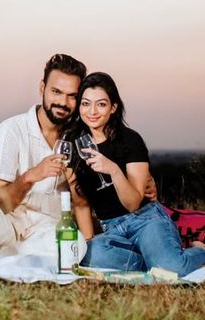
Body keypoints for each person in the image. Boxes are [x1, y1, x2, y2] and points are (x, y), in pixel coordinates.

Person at [0, 53, 87, 267]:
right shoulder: (11, 130)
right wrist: (31, 176)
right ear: (42, 89)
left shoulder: (76, 138)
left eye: (72, 96)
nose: (63, 102)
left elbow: (86, 199)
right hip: (4, 222)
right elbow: (1, 202)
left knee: (76, 244)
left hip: (44, 230)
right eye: (56, 92)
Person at [66, 71, 205, 277]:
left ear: (113, 108)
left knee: (171, 269)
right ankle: (154, 259)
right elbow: (81, 203)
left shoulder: (130, 140)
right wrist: (89, 241)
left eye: (101, 104)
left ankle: (198, 251)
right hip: (111, 229)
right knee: (85, 256)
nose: (92, 111)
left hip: (145, 219)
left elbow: (132, 203)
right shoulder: (73, 144)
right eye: (86, 104)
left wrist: (113, 169)